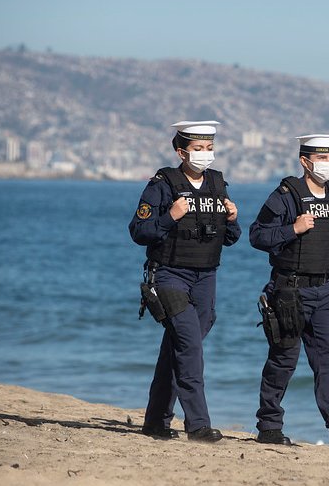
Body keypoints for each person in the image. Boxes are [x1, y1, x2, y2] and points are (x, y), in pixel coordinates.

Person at [249, 134, 329, 452]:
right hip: (289, 291)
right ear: (305, 161)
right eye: (322, 158)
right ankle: (269, 426)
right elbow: (257, 235)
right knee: (283, 360)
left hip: (326, 291)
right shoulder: (286, 195)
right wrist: (293, 229)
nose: (328, 164)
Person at [129, 120, 241, 442]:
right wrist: (170, 216)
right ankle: (198, 425)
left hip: (206, 277)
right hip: (169, 274)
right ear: (181, 152)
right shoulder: (162, 184)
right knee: (190, 347)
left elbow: (230, 238)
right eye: (198, 149)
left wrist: (232, 220)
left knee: (179, 348)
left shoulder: (218, 185)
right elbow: (139, 231)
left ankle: (155, 421)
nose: (206, 155)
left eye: (210, 149)